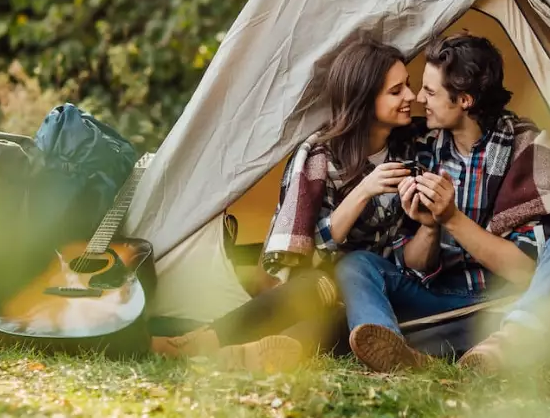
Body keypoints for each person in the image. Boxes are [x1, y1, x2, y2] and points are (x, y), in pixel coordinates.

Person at [150, 38, 421, 371]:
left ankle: (219, 345)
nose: (412, 96)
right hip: (321, 280)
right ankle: (226, 345)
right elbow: (305, 249)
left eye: (407, 86)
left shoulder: (413, 151)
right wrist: (362, 191)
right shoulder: (320, 158)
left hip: (383, 283)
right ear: (365, 100)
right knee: (320, 292)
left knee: (337, 300)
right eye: (397, 91)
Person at [335, 33, 550, 373]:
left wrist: (452, 217)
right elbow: (413, 264)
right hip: (437, 303)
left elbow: (525, 271)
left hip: (505, 302)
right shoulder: (418, 147)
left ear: (465, 100)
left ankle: (508, 343)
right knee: (357, 265)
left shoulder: (525, 147)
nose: (417, 99)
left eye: (430, 91)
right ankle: (392, 347)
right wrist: (428, 226)